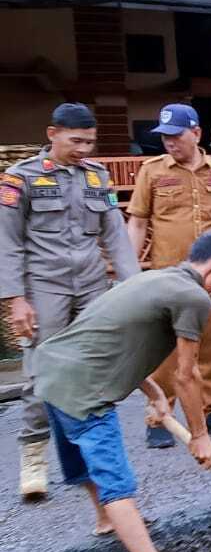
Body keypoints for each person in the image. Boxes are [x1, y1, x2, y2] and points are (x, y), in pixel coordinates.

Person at [33, 231, 211, 552]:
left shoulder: (155, 279)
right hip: (84, 389)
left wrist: (154, 393)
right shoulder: (193, 296)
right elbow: (187, 374)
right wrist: (199, 434)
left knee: (83, 464)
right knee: (117, 482)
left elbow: (118, 342)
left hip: (51, 370)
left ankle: (106, 521)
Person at [1, 103, 140, 501]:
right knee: (41, 371)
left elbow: (115, 236)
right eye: (75, 140)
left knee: (95, 369)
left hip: (91, 284)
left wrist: (132, 288)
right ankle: (33, 456)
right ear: (52, 134)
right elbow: (7, 242)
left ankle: (92, 457)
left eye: (90, 142)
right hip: (45, 287)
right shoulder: (21, 177)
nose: (83, 148)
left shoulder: (97, 176)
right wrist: (15, 300)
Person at [126, 104, 211, 449]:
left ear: (196, 133)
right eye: (164, 137)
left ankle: (209, 411)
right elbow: (137, 223)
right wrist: (128, 272)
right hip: (169, 278)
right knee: (166, 348)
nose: (169, 143)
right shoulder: (151, 172)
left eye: (176, 136)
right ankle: (160, 416)